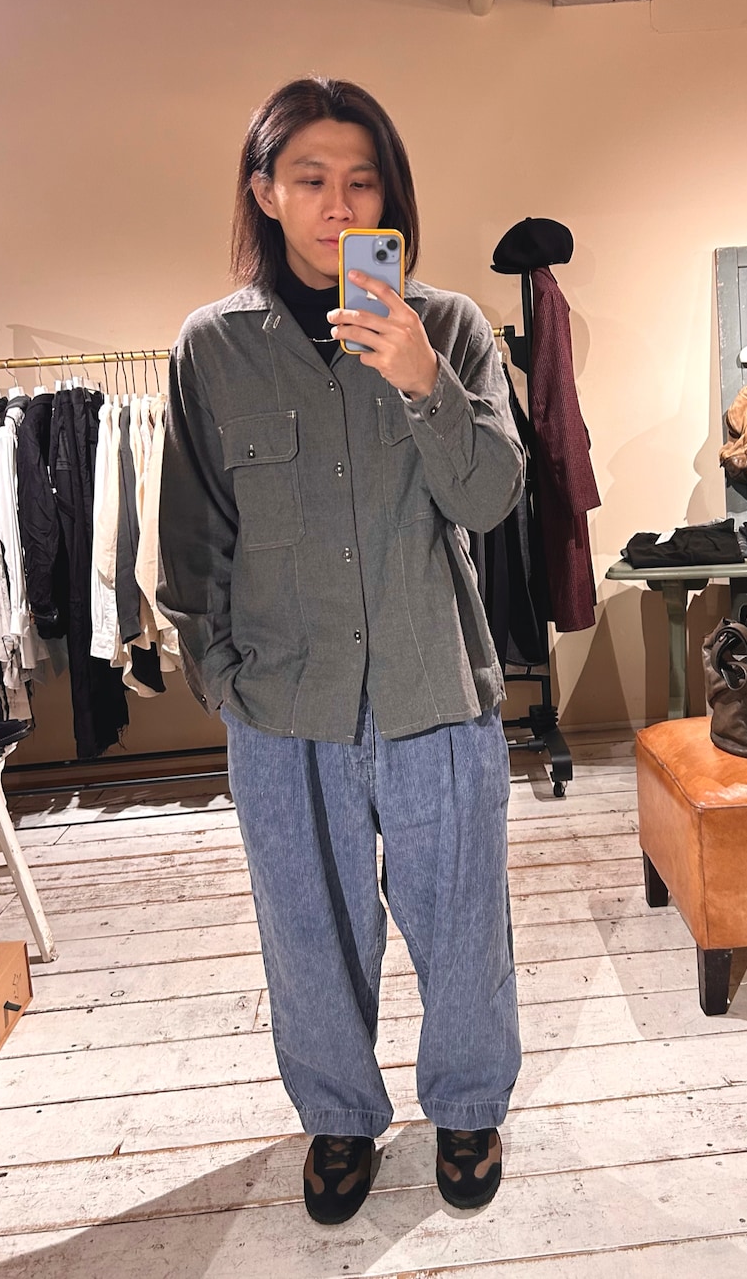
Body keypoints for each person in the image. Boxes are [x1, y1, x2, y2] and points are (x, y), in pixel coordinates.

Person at [158, 76, 524, 1225]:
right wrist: (222, 679)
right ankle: (337, 1115)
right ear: (264, 190)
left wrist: (422, 380)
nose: (336, 202)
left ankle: (467, 1101)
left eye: (360, 179)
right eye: (309, 177)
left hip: (432, 683)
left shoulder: (449, 326)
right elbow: (191, 536)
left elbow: (491, 497)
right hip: (283, 700)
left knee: (461, 914)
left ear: (389, 195)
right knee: (307, 926)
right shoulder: (213, 348)